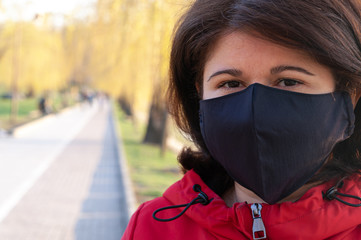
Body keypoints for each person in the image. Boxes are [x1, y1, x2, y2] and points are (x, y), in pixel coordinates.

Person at [122, 0, 361, 239]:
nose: (256, 112)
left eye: (288, 81)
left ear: (349, 96)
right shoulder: (154, 228)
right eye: (230, 84)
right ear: (199, 96)